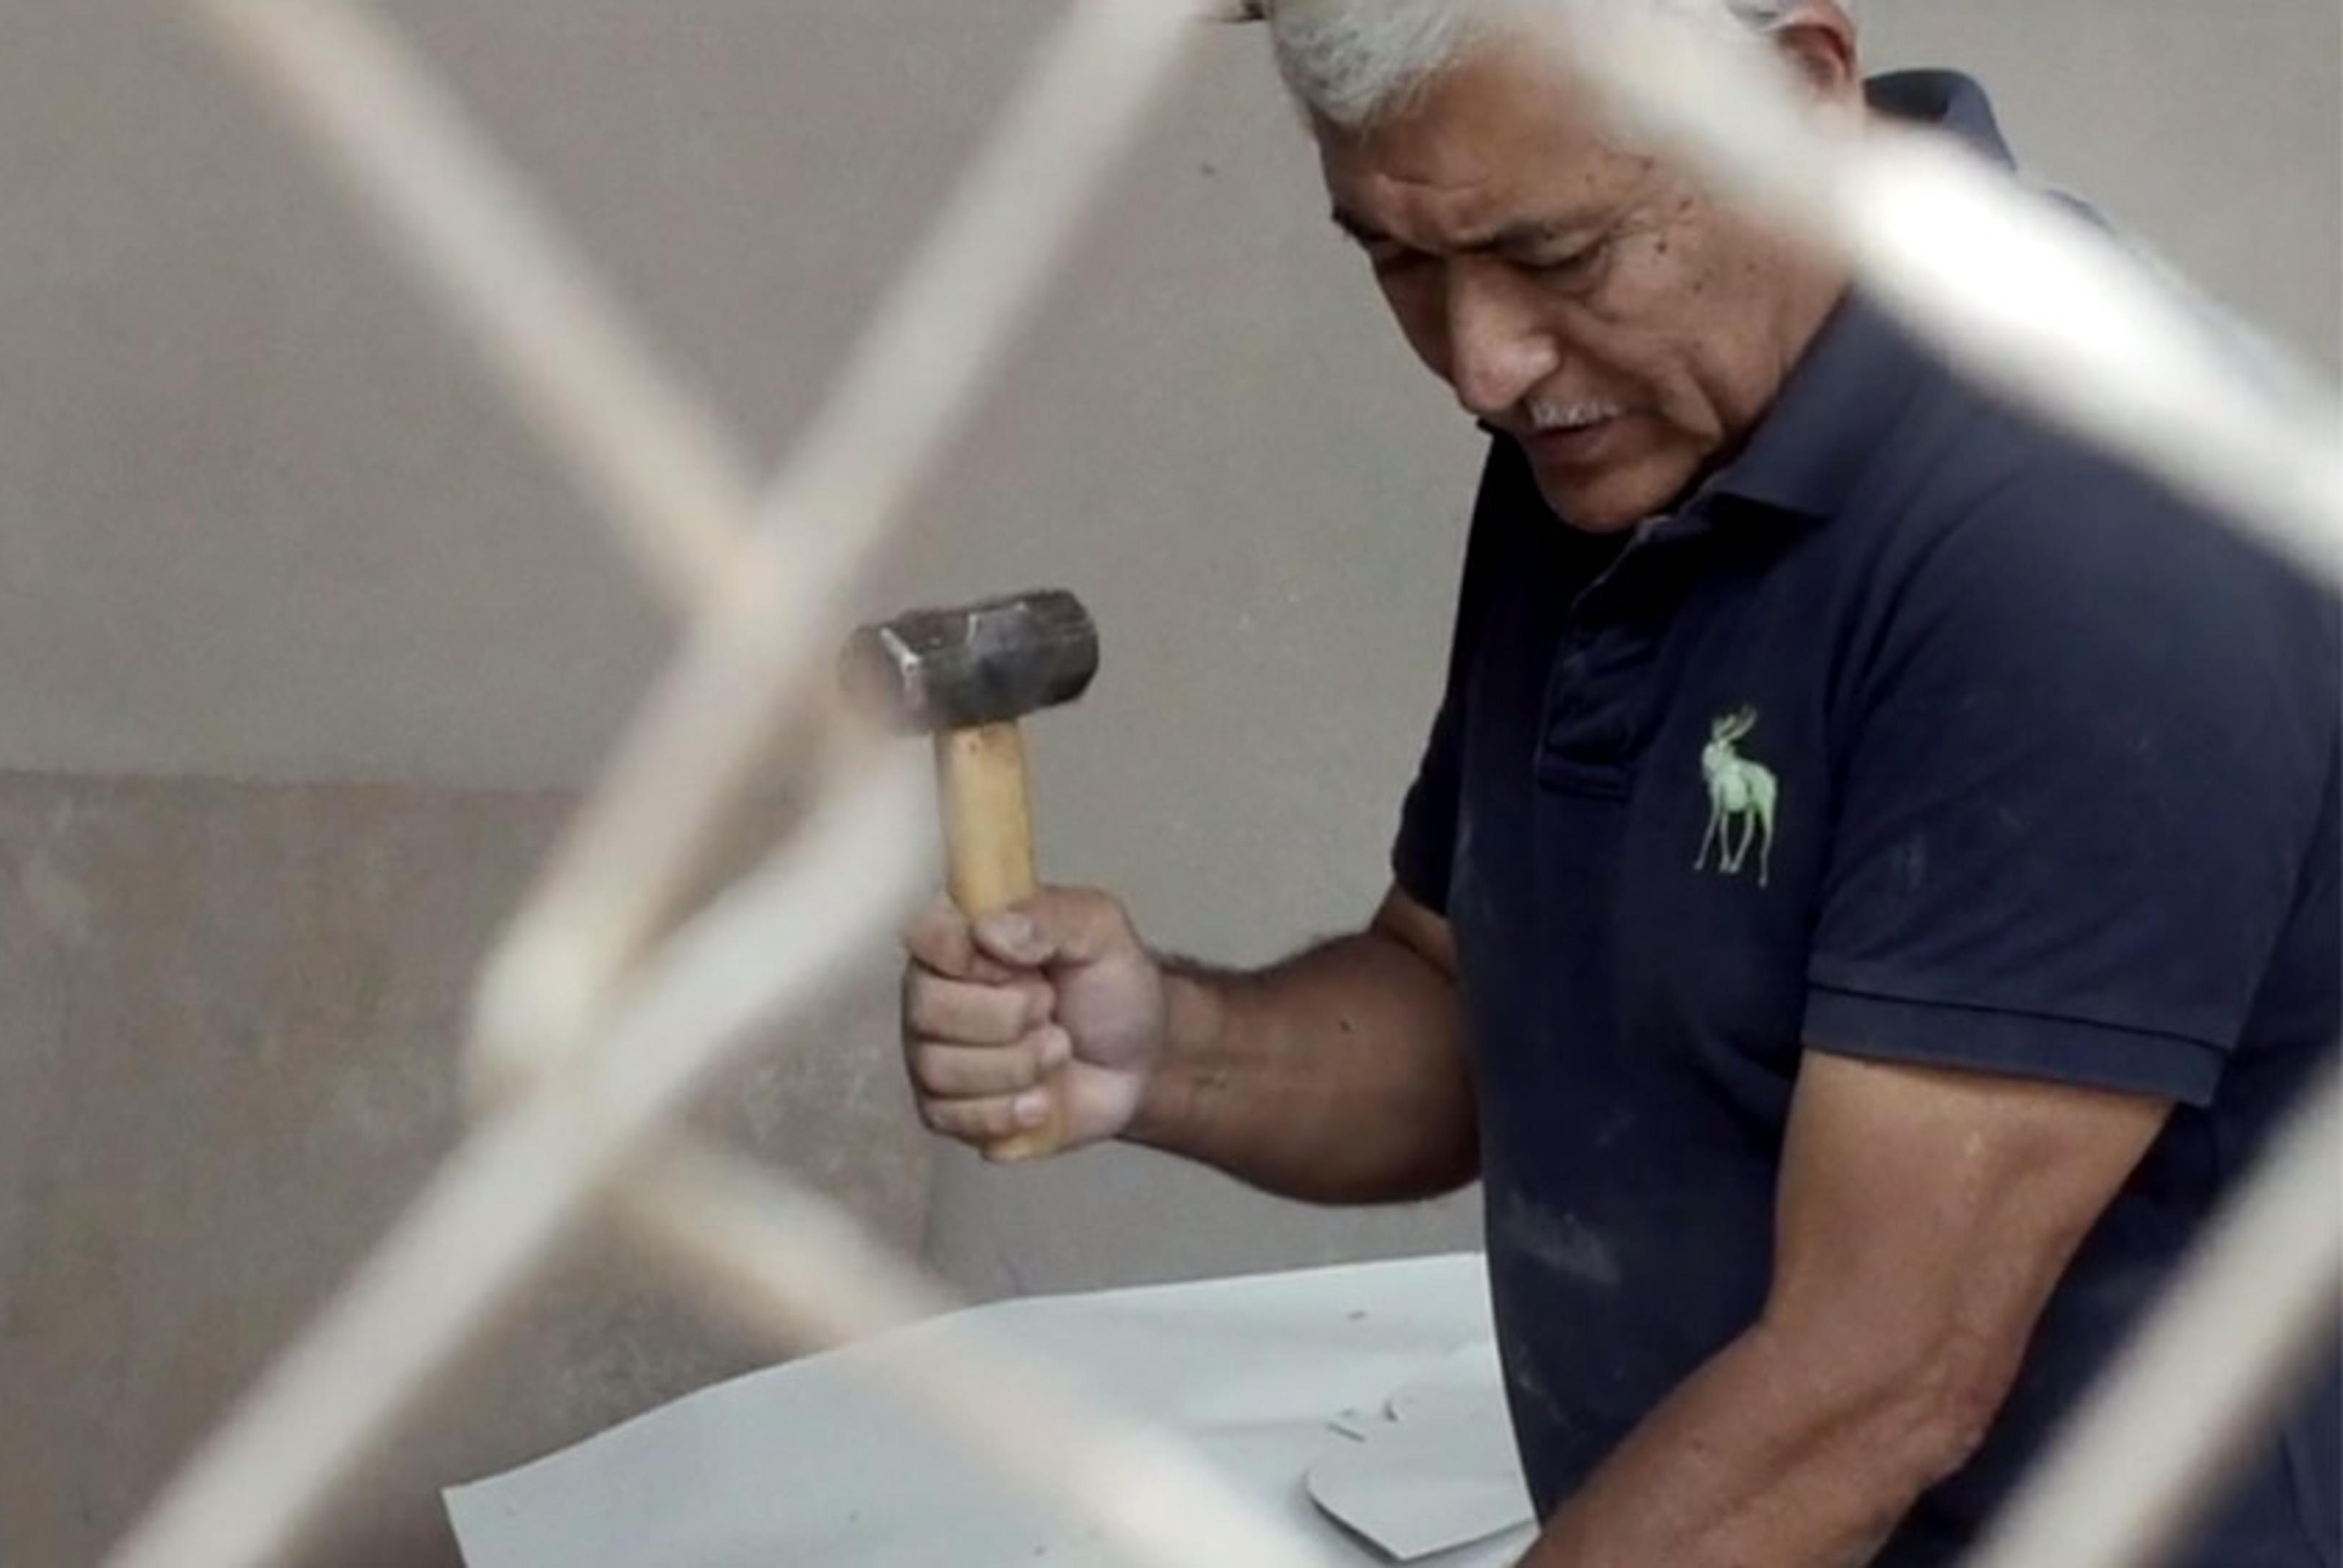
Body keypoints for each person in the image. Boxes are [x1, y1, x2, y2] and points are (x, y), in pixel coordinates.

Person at [894, 2, 2342, 1564]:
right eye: (1396, 258)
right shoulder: (1616, 436)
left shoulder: (2087, 536)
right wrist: (1165, 1050)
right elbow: (1474, 1002)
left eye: (1563, 255)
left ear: (1799, 94)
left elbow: (1874, 1383)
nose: (1481, 363)